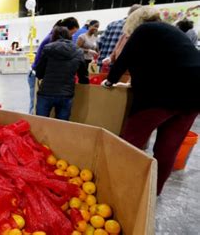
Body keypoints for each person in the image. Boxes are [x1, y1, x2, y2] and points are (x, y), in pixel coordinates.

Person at [101, 22, 200, 195]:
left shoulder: (143, 30)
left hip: (161, 92)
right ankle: (153, 192)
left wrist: (111, 80)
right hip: (195, 92)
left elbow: (126, 56)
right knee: (169, 148)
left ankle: (115, 188)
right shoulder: (168, 33)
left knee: (130, 143)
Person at [34, 26, 89, 120]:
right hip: (66, 94)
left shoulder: (48, 48)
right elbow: (83, 75)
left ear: (54, 36)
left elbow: (39, 72)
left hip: (46, 92)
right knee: (62, 126)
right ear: (69, 36)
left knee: (40, 123)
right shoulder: (78, 51)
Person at [28, 17, 80, 114]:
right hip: (39, 76)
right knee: (35, 109)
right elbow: (43, 67)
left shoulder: (53, 38)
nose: (72, 36)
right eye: (72, 33)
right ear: (66, 30)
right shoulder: (52, 41)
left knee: (37, 109)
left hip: (43, 78)